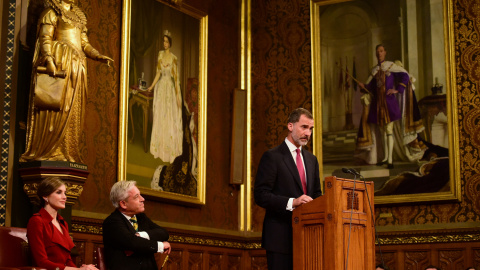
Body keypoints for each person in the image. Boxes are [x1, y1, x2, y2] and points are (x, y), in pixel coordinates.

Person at [20, 0, 113, 163]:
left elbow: (84, 43)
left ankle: (66, 150)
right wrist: (49, 59)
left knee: (72, 109)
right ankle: (49, 150)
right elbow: (45, 37)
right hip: (61, 63)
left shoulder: (79, 17)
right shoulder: (52, 12)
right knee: (57, 106)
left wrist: (97, 55)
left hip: (77, 70)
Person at [254, 108, 323, 270]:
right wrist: (293, 202)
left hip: (308, 238)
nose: (308, 133)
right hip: (280, 239)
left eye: (311, 129)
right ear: (290, 126)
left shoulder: (312, 160)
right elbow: (261, 195)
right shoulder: (272, 157)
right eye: (304, 127)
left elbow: (317, 195)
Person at [356, 44, 424, 168]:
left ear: (385, 52)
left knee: (389, 130)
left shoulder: (391, 66)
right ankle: (386, 157)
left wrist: (397, 90)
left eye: (381, 51)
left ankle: (390, 160)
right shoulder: (374, 71)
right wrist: (363, 86)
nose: (379, 54)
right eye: (377, 52)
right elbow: (371, 87)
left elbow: (405, 76)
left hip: (389, 104)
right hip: (377, 105)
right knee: (382, 131)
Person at [27, 177, 98, 270]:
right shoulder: (36, 221)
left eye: (65, 193)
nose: (64, 197)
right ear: (45, 196)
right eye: (59, 192)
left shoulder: (62, 223)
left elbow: (67, 260)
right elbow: (41, 262)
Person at [103, 181, 171, 270]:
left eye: (140, 195)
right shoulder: (112, 222)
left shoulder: (141, 218)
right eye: (136, 197)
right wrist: (161, 245)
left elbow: (164, 233)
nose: (142, 199)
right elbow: (132, 242)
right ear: (123, 204)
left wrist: (141, 235)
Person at [146, 30, 183, 163]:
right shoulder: (160, 55)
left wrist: (178, 96)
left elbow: (177, 78)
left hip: (169, 90)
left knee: (169, 117)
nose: (165, 43)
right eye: (163, 41)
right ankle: (158, 149)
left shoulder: (174, 58)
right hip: (161, 89)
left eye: (167, 41)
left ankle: (168, 151)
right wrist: (151, 86)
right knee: (160, 115)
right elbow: (158, 73)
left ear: (170, 43)